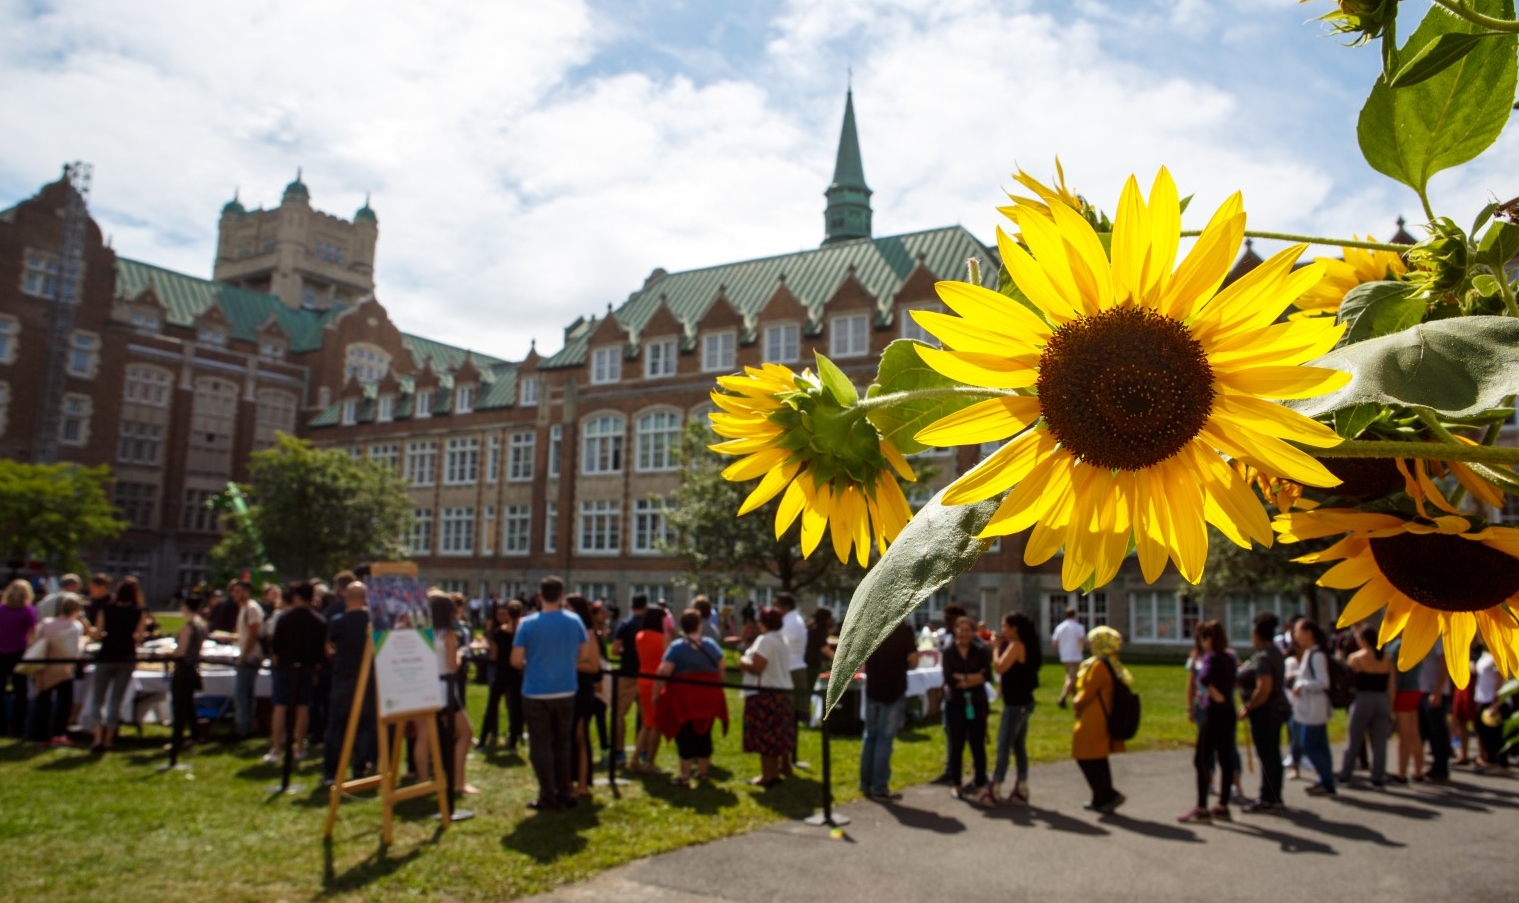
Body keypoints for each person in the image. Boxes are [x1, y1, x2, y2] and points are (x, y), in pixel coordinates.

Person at [511, 576, 596, 811]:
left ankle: (548, 793)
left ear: (540, 595)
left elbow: (516, 660)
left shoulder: (527, 624)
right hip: (566, 688)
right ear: (561, 596)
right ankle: (564, 789)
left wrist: (533, 662)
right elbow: (584, 652)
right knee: (563, 742)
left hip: (536, 690)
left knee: (541, 744)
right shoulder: (574, 620)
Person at [655, 609, 728, 785]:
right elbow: (721, 667)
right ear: (698, 625)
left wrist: (656, 692)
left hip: (684, 699)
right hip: (708, 697)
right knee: (705, 733)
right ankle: (703, 773)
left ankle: (685, 776)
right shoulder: (711, 645)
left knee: (685, 734)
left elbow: (665, 671)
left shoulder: (677, 647)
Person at [417, 592, 476, 796]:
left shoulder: (421, 633)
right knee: (466, 733)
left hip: (424, 687)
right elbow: (452, 666)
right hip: (445, 688)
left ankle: (424, 782)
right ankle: (459, 781)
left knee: (423, 737)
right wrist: (459, 653)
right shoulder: (448, 635)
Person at [1180, 620, 1238, 823]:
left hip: (1213, 712)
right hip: (1229, 711)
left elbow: (1203, 679)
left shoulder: (1211, 657)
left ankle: (1202, 806)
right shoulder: (1230, 657)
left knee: (1202, 759)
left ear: (1209, 639)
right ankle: (1223, 804)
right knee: (1225, 756)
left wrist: (1214, 693)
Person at [266, 582, 327, 764]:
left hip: (285, 667)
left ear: (297, 597)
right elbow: (319, 651)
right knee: (303, 708)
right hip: (307, 669)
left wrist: (276, 665)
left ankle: (276, 747)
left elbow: (275, 647)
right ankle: (300, 746)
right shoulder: (319, 621)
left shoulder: (285, 618)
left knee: (280, 707)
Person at [324, 581, 377, 786]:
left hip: (343, 678)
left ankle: (331, 771)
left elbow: (330, 647)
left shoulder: (338, 621)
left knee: (337, 724)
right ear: (365, 599)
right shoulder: (372, 621)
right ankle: (359, 766)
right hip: (367, 679)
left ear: (346, 598)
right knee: (365, 725)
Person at [859, 617, 918, 801]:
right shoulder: (904, 629)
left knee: (870, 736)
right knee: (884, 739)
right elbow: (913, 661)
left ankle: (865, 782)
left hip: (874, 686)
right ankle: (879, 786)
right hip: (894, 687)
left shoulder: (871, 625)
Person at [987, 612, 1041, 805]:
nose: (1002, 630)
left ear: (1014, 628)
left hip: (1016, 705)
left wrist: (995, 649)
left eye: (1005, 626)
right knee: (1018, 746)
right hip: (1023, 702)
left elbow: (1000, 667)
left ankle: (996, 785)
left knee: (1004, 744)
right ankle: (1022, 785)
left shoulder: (1016, 646)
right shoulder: (1024, 645)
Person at [1073, 625, 1128, 814]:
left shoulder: (1098, 666)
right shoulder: (1112, 664)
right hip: (1104, 716)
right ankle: (1100, 798)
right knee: (1098, 757)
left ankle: (1108, 794)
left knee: (1084, 755)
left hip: (1094, 717)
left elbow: (1087, 694)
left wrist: (1076, 701)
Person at [87, 577, 147, 753]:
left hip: (106, 655)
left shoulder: (106, 609)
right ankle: (108, 739)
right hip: (126, 657)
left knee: (98, 698)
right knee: (115, 698)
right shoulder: (138, 612)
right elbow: (139, 637)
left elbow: (97, 635)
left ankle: (96, 736)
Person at [1238, 612, 1290, 813]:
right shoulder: (1275, 653)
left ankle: (1267, 797)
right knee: (1273, 754)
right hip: (1275, 711)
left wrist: (1248, 707)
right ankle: (1274, 795)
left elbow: (1264, 688)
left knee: (1267, 754)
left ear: (1258, 634)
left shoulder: (1264, 657)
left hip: (1265, 712)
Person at [738, 607, 796, 788]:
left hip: (764, 693)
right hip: (781, 692)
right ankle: (775, 772)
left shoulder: (765, 640)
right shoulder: (782, 640)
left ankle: (767, 775)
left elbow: (757, 667)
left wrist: (742, 661)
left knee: (765, 738)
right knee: (775, 736)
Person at [1337, 624, 1394, 788]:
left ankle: (1345, 776)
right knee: (1380, 743)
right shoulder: (1386, 658)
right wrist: (1390, 705)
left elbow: (1347, 679)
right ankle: (1377, 778)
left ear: (1363, 640)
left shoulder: (1356, 658)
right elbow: (1392, 685)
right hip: (1382, 699)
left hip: (1363, 699)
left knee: (1354, 740)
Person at [943, 615, 992, 799]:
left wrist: (962, 678)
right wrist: (973, 678)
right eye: (961, 630)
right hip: (955, 703)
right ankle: (956, 782)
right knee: (957, 744)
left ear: (973, 632)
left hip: (977, 702)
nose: (964, 634)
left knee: (977, 743)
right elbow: (949, 678)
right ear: (956, 631)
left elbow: (986, 675)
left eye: (967, 630)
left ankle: (980, 780)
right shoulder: (948, 651)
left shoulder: (980, 651)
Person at [26, 593, 84, 747]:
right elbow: (76, 651)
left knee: (43, 702)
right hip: (64, 668)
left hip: (46, 667)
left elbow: (35, 641)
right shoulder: (75, 627)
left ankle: (41, 735)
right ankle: (59, 734)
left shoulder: (46, 624)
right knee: (64, 704)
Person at [1291, 619, 1336, 796]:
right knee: (1321, 745)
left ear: (1309, 633)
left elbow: (1323, 682)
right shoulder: (1311, 653)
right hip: (1313, 707)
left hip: (1314, 709)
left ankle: (1326, 779)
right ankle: (1326, 781)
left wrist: (1302, 685)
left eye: (1298, 631)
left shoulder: (1316, 655)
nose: (1296, 636)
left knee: (1308, 744)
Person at [479, 600, 524, 751]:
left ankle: (483, 740)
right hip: (516, 673)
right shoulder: (522, 633)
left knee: (492, 706)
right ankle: (513, 741)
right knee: (516, 708)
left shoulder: (499, 633)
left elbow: (493, 655)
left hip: (501, 672)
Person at [609, 594, 648, 766]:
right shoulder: (650, 625)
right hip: (646, 674)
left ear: (631, 606)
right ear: (646, 606)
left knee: (618, 714)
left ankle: (619, 751)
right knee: (645, 717)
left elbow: (615, 650)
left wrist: (627, 650)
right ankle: (644, 751)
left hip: (627, 674)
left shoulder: (625, 624)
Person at [169, 595, 208, 752]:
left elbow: (181, 651)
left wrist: (169, 653)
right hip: (193, 668)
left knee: (180, 706)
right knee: (188, 704)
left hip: (184, 668)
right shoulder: (201, 625)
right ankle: (195, 734)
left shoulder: (188, 627)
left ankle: (177, 739)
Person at [632, 606, 669, 772]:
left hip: (643, 679)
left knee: (646, 721)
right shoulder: (662, 638)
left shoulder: (639, 636)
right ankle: (650, 762)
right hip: (657, 681)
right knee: (656, 724)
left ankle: (634, 758)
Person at [0, 578, 39, 738]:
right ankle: (18, 726)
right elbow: (33, 633)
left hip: (1, 653)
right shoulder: (28, 611)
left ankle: (1, 725)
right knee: (20, 693)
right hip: (19, 654)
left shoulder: (1, 609)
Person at [230, 580, 263, 739]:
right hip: (246, 654)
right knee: (246, 694)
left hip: (251, 656)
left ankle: (242, 728)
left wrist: (244, 657)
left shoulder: (252, 609)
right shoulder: (243, 609)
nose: (234, 595)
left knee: (242, 693)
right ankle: (248, 724)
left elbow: (253, 634)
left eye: (237, 591)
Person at [1388, 637, 1424, 784]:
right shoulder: (1418, 642)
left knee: (1403, 737)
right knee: (1414, 734)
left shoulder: (1397, 647)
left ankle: (1402, 773)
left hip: (1402, 692)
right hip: (1414, 689)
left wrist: (1391, 702)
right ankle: (1418, 770)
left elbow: (1394, 677)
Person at [1418, 640, 1451, 783]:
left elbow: (1446, 665)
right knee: (1425, 730)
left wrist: (1437, 691)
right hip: (1424, 689)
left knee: (1438, 732)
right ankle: (1430, 766)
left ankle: (1441, 768)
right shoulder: (1425, 635)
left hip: (1435, 692)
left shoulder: (1438, 640)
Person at [1473, 642, 1509, 772]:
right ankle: (1491, 760)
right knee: (1482, 731)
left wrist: (1496, 703)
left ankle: (1502, 764)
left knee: (1496, 734)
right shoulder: (1485, 654)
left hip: (1492, 700)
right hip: (1482, 697)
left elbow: (1500, 678)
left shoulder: (1498, 653)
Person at [775, 593, 809, 736]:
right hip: (796, 665)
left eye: (776, 605)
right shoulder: (795, 619)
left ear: (785, 607)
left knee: (790, 710)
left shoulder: (790, 623)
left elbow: (780, 646)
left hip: (791, 668)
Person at [1052, 607, 1086, 709]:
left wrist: (1061, 649)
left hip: (1065, 656)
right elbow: (1083, 641)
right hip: (1075, 655)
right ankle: (1062, 698)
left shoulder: (1060, 627)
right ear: (1075, 615)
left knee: (1070, 677)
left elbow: (1055, 642)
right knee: (1072, 678)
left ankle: (1076, 698)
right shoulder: (1078, 627)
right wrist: (1083, 647)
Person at [805, 607, 835, 695]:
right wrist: (840, 662)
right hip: (812, 665)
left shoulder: (812, 629)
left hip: (808, 663)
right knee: (809, 691)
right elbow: (825, 650)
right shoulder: (819, 631)